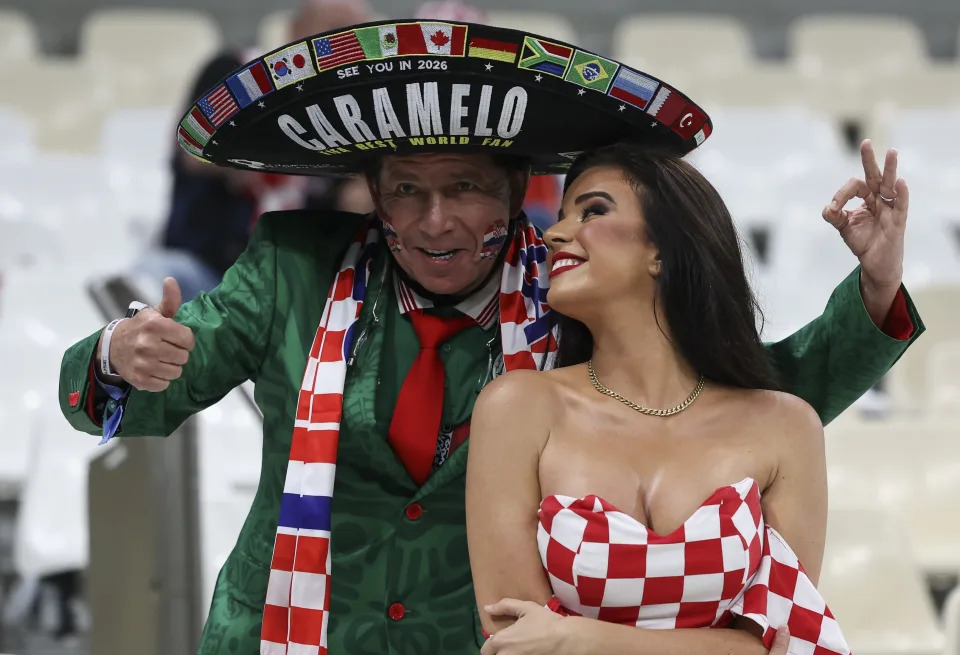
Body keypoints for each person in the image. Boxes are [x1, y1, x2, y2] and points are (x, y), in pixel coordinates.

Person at [58, 18, 922, 655]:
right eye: (405, 191)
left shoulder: (576, 285)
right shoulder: (291, 264)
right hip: (283, 635)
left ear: (517, 195)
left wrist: (874, 287)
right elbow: (149, 377)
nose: (435, 221)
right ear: (372, 194)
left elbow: (749, 401)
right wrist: (116, 356)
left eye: (465, 187)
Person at [465, 141, 915, 654]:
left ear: (663, 250)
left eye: (591, 210)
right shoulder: (516, 407)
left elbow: (783, 642)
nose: (553, 232)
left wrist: (578, 636)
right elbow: (518, 642)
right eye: (563, 213)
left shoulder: (786, 425)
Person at [136, 0, 375, 302]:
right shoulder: (234, 72)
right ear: (294, 31)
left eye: (355, 35)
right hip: (203, 270)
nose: (343, 44)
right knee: (152, 276)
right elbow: (192, 152)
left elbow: (354, 204)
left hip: (289, 289)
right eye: (334, 30)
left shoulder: (357, 112)